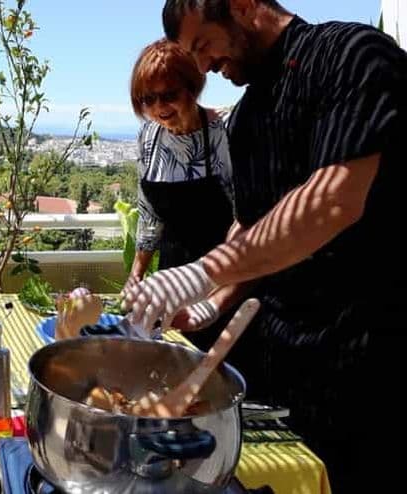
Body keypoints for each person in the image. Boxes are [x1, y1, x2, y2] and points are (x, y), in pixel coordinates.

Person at [122, 0, 406, 491]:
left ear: (243, 5)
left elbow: (330, 202)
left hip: (369, 365)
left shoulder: (353, 55)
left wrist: (198, 273)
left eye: (204, 44)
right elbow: (251, 227)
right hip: (282, 363)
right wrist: (213, 303)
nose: (204, 65)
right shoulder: (249, 115)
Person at [126, 38, 235, 348]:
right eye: (148, 99)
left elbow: (249, 219)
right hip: (171, 281)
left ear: (192, 87)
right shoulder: (148, 135)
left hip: (222, 279)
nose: (159, 107)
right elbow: (149, 214)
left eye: (169, 95)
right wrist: (137, 274)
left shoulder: (224, 131)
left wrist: (218, 291)